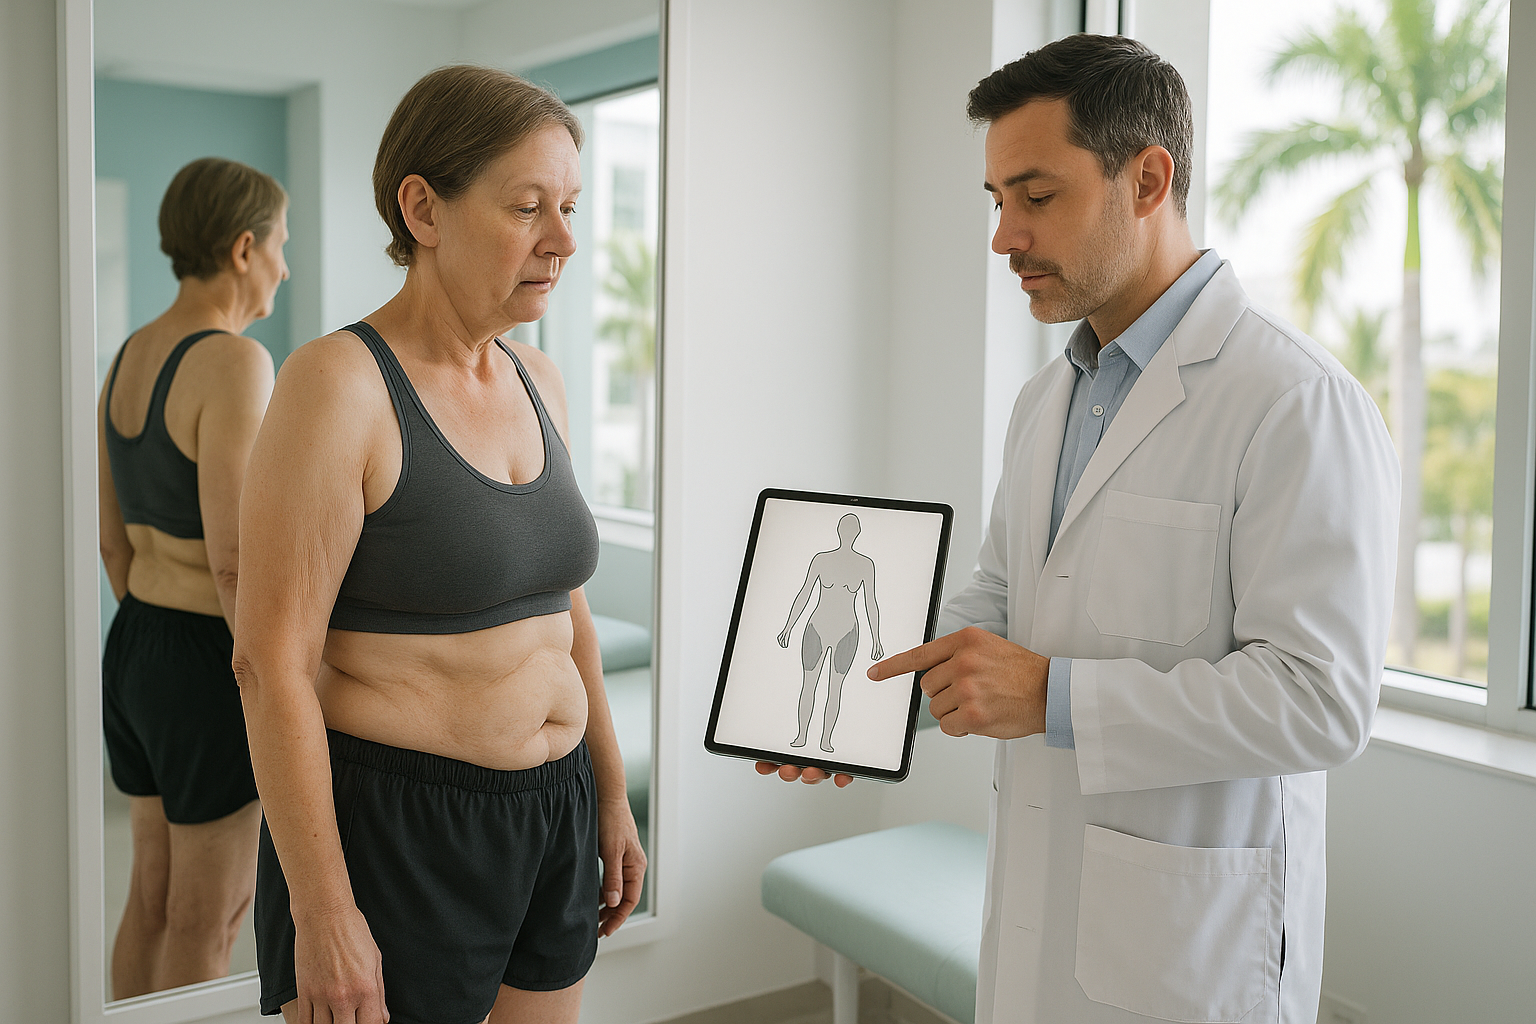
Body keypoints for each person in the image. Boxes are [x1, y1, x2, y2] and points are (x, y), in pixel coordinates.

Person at [762, 34, 1399, 1024]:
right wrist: (875, 707)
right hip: (1041, 920)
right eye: (997, 201)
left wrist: (1054, 695)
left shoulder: (1294, 401)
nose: (1003, 236)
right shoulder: (1046, 401)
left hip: (1190, 953)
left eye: (1037, 196)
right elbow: (1005, 601)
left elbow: (1321, 701)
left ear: (1148, 179)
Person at [234, 65, 645, 1024]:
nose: (564, 241)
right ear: (423, 207)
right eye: (527, 207)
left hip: (553, 810)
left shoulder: (538, 377)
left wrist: (611, 794)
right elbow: (271, 664)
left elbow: (563, 607)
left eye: (571, 207)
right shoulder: (338, 385)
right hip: (401, 829)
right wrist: (323, 911)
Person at [98, 156, 285, 997]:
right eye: (282, 244)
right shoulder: (234, 362)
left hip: (135, 642)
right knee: (211, 913)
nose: (288, 264)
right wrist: (274, 681)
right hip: (207, 658)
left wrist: (157, 641)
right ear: (244, 248)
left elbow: (113, 546)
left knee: (151, 896)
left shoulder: (130, 354)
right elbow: (235, 559)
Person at [777, 513, 884, 752]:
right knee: (809, 684)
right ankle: (802, 735)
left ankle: (825, 740)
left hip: (847, 631)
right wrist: (789, 625)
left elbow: (871, 603)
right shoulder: (821, 560)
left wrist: (876, 638)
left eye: (850, 528)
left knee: (834, 688)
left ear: (856, 533)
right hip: (817, 627)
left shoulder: (865, 565)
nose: (847, 532)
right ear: (838, 530)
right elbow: (805, 593)